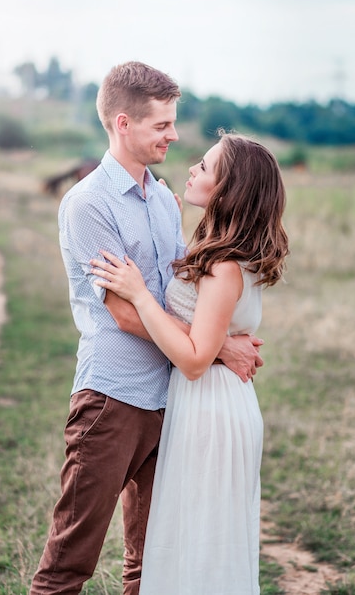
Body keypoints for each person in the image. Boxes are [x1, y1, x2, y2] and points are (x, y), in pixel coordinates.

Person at [29, 62, 263, 595]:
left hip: (172, 402)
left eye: (173, 123)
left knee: (152, 561)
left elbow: (171, 294)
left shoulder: (161, 198)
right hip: (113, 399)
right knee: (70, 562)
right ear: (123, 123)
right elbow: (125, 310)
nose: (174, 135)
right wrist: (219, 348)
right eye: (162, 125)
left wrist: (211, 342)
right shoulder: (88, 204)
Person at [90, 132, 290, 595]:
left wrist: (139, 294)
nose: (191, 170)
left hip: (210, 408)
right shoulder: (222, 250)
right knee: (192, 538)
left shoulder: (224, 265)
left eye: (205, 166)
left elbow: (196, 359)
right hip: (212, 402)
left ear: (228, 189)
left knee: (201, 544)